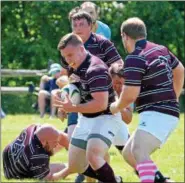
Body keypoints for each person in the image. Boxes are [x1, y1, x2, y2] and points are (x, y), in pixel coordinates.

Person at [110, 17, 184, 183]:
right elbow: (180, 70)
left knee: (138, 150)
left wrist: (114, 107)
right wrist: (174, 97)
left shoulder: (134, 57)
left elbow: (130, 94)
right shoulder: (161, 49)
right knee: (129, 152)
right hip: (164, 113)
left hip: (157, 113)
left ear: (125, 36)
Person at [53, 33, 129, 182]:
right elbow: (75, 88)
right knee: (76, 165)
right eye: (64, 57)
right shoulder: (74, 66)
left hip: (105, 117)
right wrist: (64, 106)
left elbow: (100, 104)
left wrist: (72, 108)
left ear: (81, 49)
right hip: (86, 118)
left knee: (93, 155)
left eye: (70, 55)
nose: (67, 60)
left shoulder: (95, 69)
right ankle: (115, 179)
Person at [2, 123, 69, 181]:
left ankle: (75, 149)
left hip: (9, 157)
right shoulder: (37, 156)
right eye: (55, 142)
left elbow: (50, 133)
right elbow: (48, 179)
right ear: (44, 142)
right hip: (14, 174)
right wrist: (70, 169)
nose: (57, 143)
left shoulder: (32, 128)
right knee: (62, 168)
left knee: (58, 137)